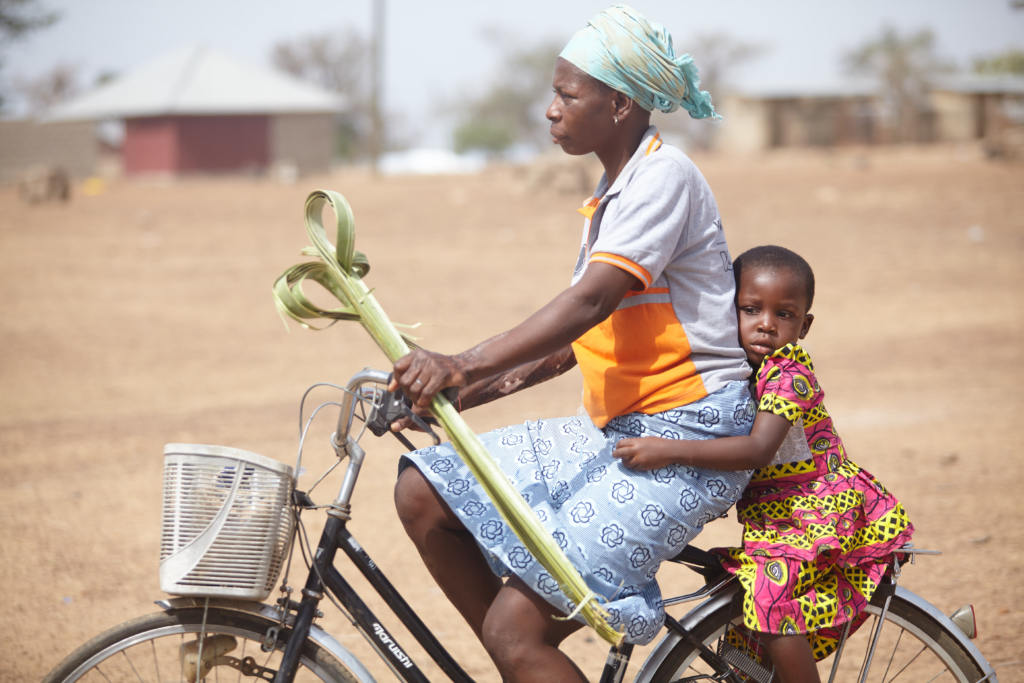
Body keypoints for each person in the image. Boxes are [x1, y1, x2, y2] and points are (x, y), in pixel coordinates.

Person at [389, 6, 752, 681]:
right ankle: (525, 662)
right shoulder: (615, 191)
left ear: (618, 103)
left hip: (685, 438)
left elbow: (590, 300)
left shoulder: (664, 176)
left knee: (514, 630)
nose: (550, 110)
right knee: (422, 489)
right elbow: (571, 344)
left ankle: (523, 649)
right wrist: (457, 394)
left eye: (567, 93)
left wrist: (461, 359)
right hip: (621, 431)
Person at [612, 245, 915, 683]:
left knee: (770, 602)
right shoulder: (737, 368)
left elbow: (757, 450)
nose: (766, 325)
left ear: (804, 325)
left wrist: (666, 449)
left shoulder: (788, 374)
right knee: (743, 646)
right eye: (750, 309)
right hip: (777, 520)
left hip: (818, 514)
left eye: (784, 315)